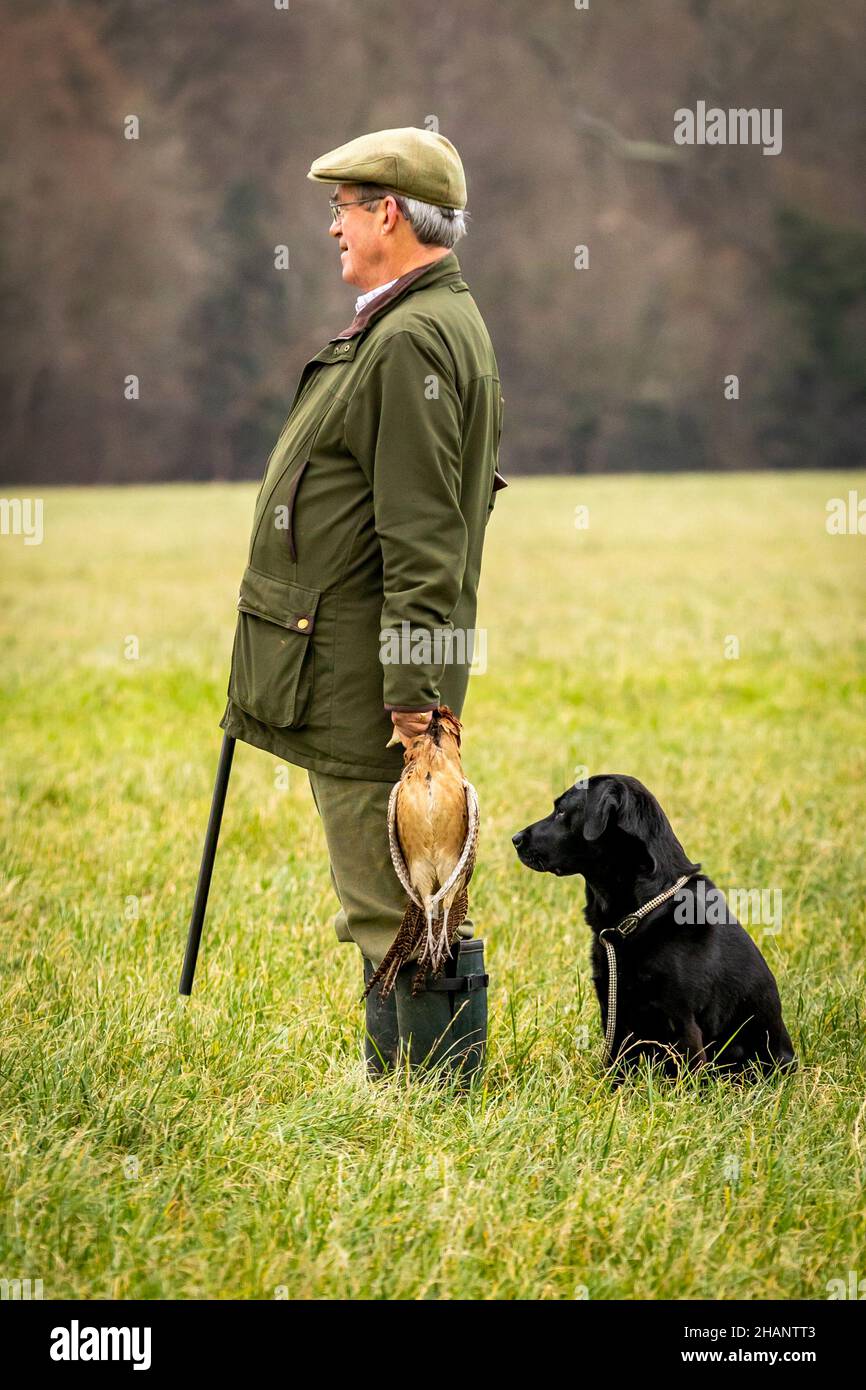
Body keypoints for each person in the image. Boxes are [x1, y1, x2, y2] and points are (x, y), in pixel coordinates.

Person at [220, 127, 506, 1079]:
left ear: (388, 212)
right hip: (364, 670)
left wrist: (417, 710)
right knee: (400, 901)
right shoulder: (413, 321)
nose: (332, 229)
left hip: (366, 683)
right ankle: (419, 1095)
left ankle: (426, 1119)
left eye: (341, 209)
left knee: (394, 909)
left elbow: (423, 538)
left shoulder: (413, 337)